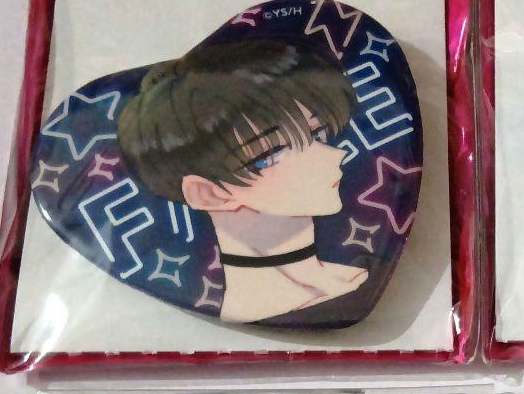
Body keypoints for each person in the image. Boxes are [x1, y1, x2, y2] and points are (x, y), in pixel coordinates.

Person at [117, 40, 368, 324]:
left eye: (317, 134)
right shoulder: (271, 309)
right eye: (272, 153)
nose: (334, 154)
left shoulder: (354, 278)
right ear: (208, 193)